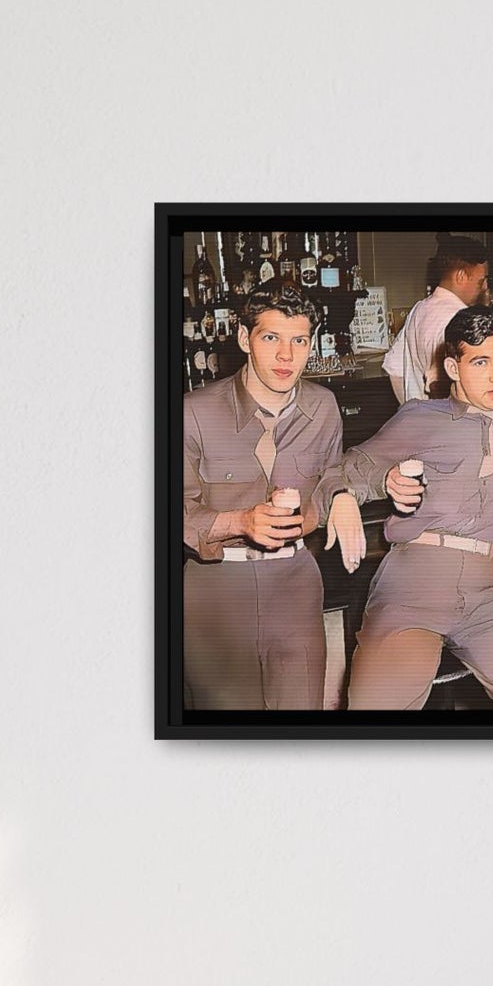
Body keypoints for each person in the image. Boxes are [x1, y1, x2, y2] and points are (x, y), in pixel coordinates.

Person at [341, 305, 493, 711]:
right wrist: (351, 494)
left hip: (490, 593)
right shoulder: (419, 416)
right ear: (452, 367)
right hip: (414, 585)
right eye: (481, 361)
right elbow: (351, 467)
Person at [179, 289, 364, 708]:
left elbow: (330, 473)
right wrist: (240, 522)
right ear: (244, 339)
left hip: (295, 583)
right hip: (215, 590)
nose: (286, 356)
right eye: (270, 338)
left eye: (299, 341)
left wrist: (340, 498)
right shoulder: (192, 411)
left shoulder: (324, 407)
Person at [382, 234, 490, 404]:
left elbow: (394, 368)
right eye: (481, 280)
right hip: (450, 426)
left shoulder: (420, 308)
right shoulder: (460, 319)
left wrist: (410, 410)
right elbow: (438, 384)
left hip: (419, 422)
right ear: (461, 277)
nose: (485, 287)